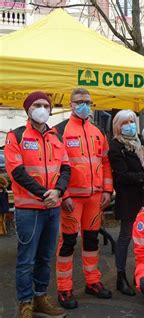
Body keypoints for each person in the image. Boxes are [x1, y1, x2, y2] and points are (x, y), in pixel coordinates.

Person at [5, 92, 70, 318]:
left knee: (45, 256)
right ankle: (25, 303)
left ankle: (40, 297)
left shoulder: (57, 137)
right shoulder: (16, 136)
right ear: (28, 110)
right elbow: (16, 172)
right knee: (26, 260)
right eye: (37, 105)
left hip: (52, 208)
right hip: (29, 209)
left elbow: (66, 168)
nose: (42, 108)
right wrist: (46, 194)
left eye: (45, 105)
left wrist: (59, 191)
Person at [53, 88, 113, 309]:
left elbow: (106, 163)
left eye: (87, 101)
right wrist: (64, 194)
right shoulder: (59, 131)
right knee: (67, 243)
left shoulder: (98, 131)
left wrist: (107, 190)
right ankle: (64, 288)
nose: (84, 105)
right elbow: (56, 167)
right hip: (71, 200)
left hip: (95, 198)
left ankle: (93, 281)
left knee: (91, 240)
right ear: (70, 104)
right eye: (79, 102)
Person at [108, 110, 144, 296]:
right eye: (124, 122)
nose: (129, 125)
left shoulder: (140, 143)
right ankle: (121, 276)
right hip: (128, 198)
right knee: (125, 237)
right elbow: (122, 175)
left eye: (131, 121)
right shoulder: (115, 146)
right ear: (117, 126)